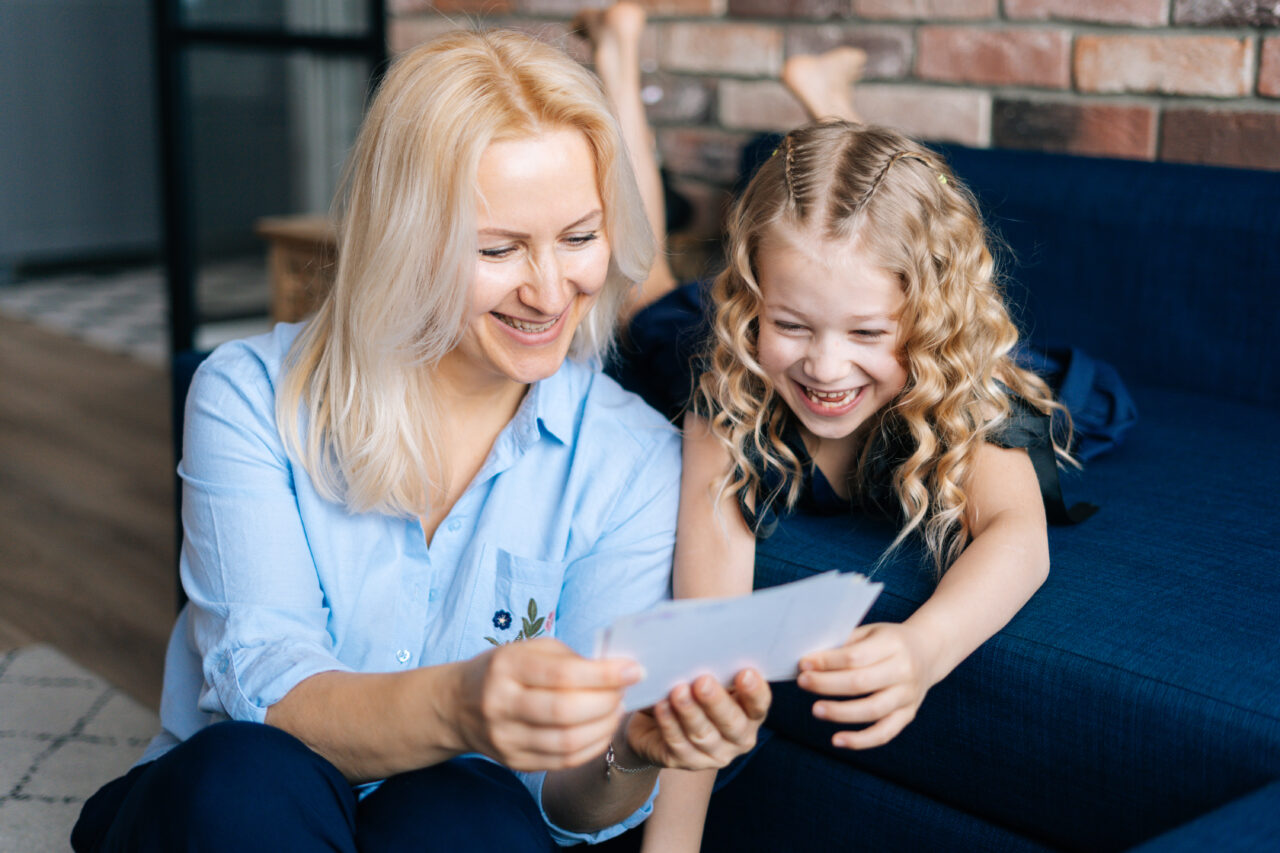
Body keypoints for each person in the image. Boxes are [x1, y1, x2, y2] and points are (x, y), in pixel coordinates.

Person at [70, 28, 773, 853]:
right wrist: (462, 702)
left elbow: (565, 803)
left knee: (466, 809)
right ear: (407, 239)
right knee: (245, 774)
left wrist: (634, 750)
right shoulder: (249, 395)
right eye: (499, 248)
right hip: (249, 796)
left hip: (454, 817)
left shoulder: (630, 464)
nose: (551, 290)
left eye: (580, 238)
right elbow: (267, 687)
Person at [577, 6, 1066, 850]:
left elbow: (1019, 535)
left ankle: (825, 99)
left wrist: (922, 650)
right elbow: (706, 642)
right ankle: (618, 49)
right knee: (642, 286)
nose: (827, 370)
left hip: (852, 288)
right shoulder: (727, 379)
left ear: (929, 319)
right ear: (751, 301)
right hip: (715, 328)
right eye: (791, 325)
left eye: (871, 334)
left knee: (847, 225)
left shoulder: (957, 377)